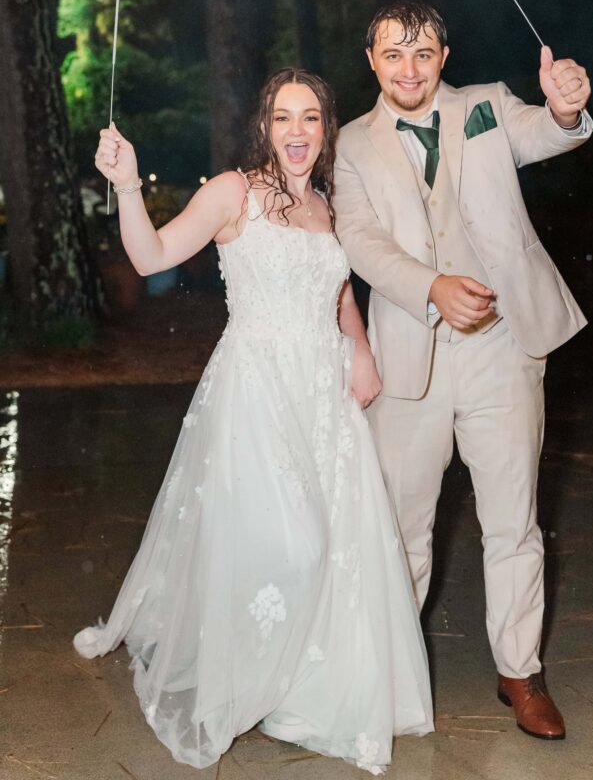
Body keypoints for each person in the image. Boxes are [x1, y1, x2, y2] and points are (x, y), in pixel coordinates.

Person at [74, 68, 433, 773]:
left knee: (337, 545)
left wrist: (358, 350)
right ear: (263, 127)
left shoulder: (328, 206)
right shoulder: (232, 192)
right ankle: (250, 671)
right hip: (257, 387)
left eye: (310, 118)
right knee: (289, 544)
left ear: (325, 129)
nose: (296, 131)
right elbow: (150, 258)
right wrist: (125, 185)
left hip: (323, 394)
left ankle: (305, 683)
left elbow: (338, 292)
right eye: (282, 118)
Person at [334, 0, 593, 742]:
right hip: (410, 356)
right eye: (391, 54)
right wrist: (428, 287)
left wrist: (566, 108)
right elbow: (358, 241)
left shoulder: (485, 107)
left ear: (442, 56)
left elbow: (547, 133)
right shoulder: (350, 145)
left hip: (503, 350)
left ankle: (520, 672)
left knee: (513, 522)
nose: (407, 69)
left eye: (421, 53)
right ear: (371, 62)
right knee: (401, 528)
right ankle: (384, 671)